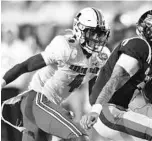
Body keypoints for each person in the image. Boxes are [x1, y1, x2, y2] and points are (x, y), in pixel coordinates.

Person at [1, 7, 110, 141]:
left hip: (51, 104)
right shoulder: (66, 47)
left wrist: (95, 110)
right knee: (79, 137)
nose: (96, 38)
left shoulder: (101, 56)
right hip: (37, 100)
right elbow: (26, 65)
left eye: (100, 34)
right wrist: (2, 81)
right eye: (92, 33)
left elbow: (94, 85)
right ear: (79, 30)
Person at [80, 9, 152, 141]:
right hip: (107, 110)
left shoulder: (151, 62)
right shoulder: (140, 45)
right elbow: (115, 79)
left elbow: (147, 113)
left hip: (119, 111)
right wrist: (96, 110)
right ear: (150, 31)